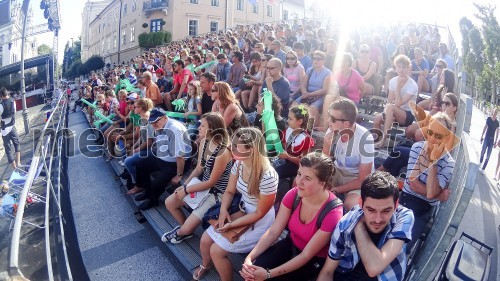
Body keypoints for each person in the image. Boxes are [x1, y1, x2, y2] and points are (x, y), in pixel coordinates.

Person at [240, 153, 343, 281]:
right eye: (299, 174)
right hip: (291, 244)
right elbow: (273, 231)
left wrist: (268, 274)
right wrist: (250, 258)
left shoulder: (332, 213)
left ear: (322, 183)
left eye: (308, 178)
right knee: (252, 272)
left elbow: (306, 255)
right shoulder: (294, 195)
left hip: (312, 258)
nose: (299, 181)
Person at [195, 127, 278, 281]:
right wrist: (223, 212)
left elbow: (260, 213)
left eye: (236, 146)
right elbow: (229, 191)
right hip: (241, 209)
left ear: (251, 150)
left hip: (258, 221)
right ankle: (205, 265)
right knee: (205, 240)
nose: (231, 148)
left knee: (216, 251)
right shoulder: (239, 163)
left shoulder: (268, 176)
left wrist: (231, 224)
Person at [317, 171, 414, 281]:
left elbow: (374, 268)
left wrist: (359, 227)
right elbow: (328, 271)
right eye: (371, 210)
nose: (378, 219)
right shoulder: (345, 224)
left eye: (386, 211)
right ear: (361, 203)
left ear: (396, 205)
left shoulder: (404, 216)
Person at [161, 112, 233, 244]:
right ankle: (185, 231)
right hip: (204, 186)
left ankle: (183, 231)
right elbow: (199, 168)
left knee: (185, 226)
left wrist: (187, 190)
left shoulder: (223, 151)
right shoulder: (204, 142)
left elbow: (212, 182)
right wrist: (184, 186)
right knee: (170, 202)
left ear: (212, 129)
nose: (199, 128)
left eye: (203, 126)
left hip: (217, 193)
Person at [400, 113, 455, 252]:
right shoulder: (417, 147)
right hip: (406, 200)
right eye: (430, 132)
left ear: (446, 138)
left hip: (423, 209)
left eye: (438, 136)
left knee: (404, 247)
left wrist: (433, 162)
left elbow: (430, 193)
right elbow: (413, 184)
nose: (432, 138)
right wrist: (438, 195)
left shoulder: (449, 163)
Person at [133, 108, 192, 210]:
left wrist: (179, 175)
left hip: (176, 163)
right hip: (163, 157)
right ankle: (147, 192)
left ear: (165, 117)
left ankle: (152, 200)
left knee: (157, 182)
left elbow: (180, 156)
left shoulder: (174, 129)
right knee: (140, 164)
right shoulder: (161, 125)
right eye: (151, 122)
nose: (153, 125)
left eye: (156, 122)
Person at [322, 98, 374, 211]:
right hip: (337, 171)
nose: (328, 121)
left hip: (356, 177)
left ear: (346, 123)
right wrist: (326, 146)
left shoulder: (364, 138)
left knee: (352, 204)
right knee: (306, 182)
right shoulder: (332, 130)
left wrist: (336, 189)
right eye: (329, 116)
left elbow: (363, 179)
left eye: (333, 119)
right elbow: (323, 165)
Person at [373, 54, 418, 148]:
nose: (401, 70)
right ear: (395, 67)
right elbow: (389, 101)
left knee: (390, 107)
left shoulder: (412, 85)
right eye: (399, 66)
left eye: (404, 67)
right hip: (393, 111)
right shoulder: (392, 81)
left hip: (407, 115)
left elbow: (398, 103)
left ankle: (383, 139)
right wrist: (387, 114)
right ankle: (376, 140)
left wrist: (397, 87)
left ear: (408, 68)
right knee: (377, 118)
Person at [273, 104, 314, 179]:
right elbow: (284, 144)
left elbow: (304, 163)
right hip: (286, 159)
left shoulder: (305, 138)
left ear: (300, 121)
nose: (287, 120)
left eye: (290, 119)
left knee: (275, 173)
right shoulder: (289, 130)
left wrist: (288, 157)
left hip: (295, 166)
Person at [0, 88, 21, 168]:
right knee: (17, 143)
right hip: (12, 126)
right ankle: (18, 163)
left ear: (1, 96)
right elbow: (14, 113)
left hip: (5, 130)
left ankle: (15, 168)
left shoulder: (1, 105)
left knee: (8, 149)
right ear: (7, 94)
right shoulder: (13, 102)